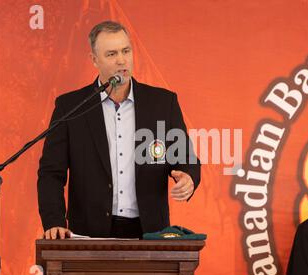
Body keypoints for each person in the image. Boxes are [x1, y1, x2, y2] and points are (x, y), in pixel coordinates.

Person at [37, 21, 201, 239]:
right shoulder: (71, 107)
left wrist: (188, 177)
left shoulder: (163, 103)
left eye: (126, 51)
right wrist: (54, 221)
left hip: (150, 233)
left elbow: (186, 158)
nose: (122, 60)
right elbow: (51, 173)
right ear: (94, 60)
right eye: (112, 54)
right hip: (89, 234)